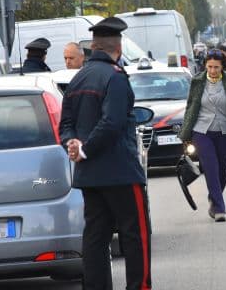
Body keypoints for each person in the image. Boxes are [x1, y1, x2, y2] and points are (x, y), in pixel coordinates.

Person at [59, 16, 151, 290]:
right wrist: (83, 149)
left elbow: (65, 125)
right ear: (118, 48)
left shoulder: (77, 79)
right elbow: (113, 122)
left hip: (90, 176)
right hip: (120, 172)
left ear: (94, 47)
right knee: (135, 235)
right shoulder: (116, 77)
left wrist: (72, 144)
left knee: (95, 238)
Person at [178, 49, 226, 222]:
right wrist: (186, 129)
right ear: (205, 65)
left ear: (223, 67)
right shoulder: (197, 81)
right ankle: (220, 208)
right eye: (210, 66)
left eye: (216, 67)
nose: (212, 70)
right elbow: (191, 106)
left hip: (225, 130)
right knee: (211, 167)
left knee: (224, 169)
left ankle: (214, 198)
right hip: (202, 131)